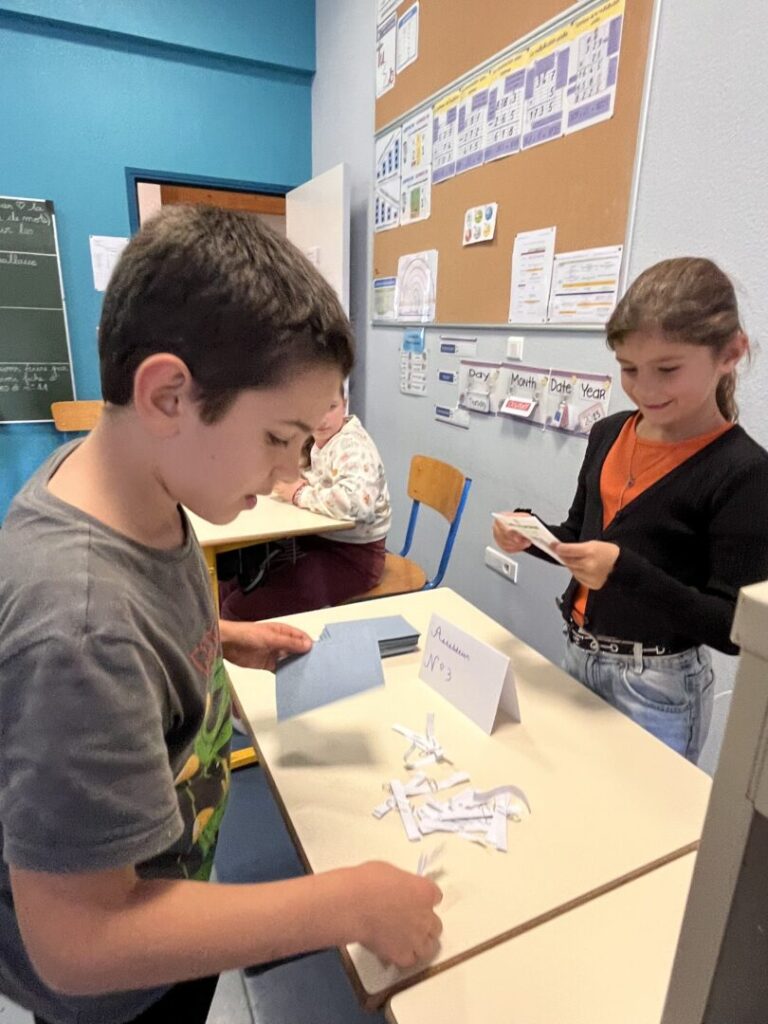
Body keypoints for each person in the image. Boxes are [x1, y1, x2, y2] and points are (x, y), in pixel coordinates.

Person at [0, 205, 441, 1024]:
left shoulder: (134, 483)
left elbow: (143, 624)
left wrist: (223, 637)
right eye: (280, 438)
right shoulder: (81, 627)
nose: (291, 469)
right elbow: (79, 941)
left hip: (176, 889)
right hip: (124, 986)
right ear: (169, 396)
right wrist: (344, 904)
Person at [493, 257, 768, 763]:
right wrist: (532, 536)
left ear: (730, 353)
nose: (645, 389)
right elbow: (580, 538)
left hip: (657, 685)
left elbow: (733, 627)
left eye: (668, 370)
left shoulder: (744, 472)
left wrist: (623, 572)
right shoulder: (609, 432)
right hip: (578, 653)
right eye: (628, 369)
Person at [220, 384, 392, 620]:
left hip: (355, 559)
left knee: (236, 609)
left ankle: (239, 636)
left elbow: (357, 504)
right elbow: (325, 478)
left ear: (344, 406)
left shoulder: (352, 446)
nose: (321, 418)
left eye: (331, 407)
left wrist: (299, 493)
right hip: (317, 544)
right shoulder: (322, 440)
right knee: (225, 588)